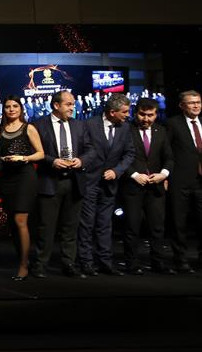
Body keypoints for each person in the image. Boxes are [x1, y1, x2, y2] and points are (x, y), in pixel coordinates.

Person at [30, 91, 94, 279]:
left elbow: (91, 150)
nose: (72, 108)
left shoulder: (79, 125)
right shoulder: (39, 125)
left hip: (74, 182)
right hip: (49, 182)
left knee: (70, 227)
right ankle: (40, 265)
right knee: (46, 227)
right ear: (56, 105)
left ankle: (69, 263)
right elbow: (34, 151)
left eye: (73, 104)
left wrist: (81, 160)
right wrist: (52, 161)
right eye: (68, 104)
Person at [77, 93, 135, 277]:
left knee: (105, 224)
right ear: (112, 112)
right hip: (89, 181)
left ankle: (105, 263)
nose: (128, 115)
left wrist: (117, 171)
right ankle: (86, 262)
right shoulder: (89, 124)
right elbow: (83, 150)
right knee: (87, 224)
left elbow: (129, 154)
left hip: (110, 184)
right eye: (124, 112)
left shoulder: (125, 128)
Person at [120, 97, 174, 275]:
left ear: (156, 114)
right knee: (132, 227)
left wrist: (163, 174)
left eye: (150, 115)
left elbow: (169, 158)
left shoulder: (161, 131)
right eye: (142, 114)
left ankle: (158, 263)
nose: (146, 118)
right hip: (132, 186)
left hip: (155, 187)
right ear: (136, 113)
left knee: (157, 228)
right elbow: (119, 157)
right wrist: (135, 175)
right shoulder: (126, 130)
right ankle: (132, 264)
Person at [0, 95, 44, 280]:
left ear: (21, 109)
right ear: (3, 110)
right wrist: (3, 159)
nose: (11, 109)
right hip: (7, 178)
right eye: (8, 106)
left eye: (15, 106)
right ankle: (22, 258)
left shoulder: (28, 128)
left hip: (25, 176)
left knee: (20, 220)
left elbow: (41, 154)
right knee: (13, 223)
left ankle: (24, 265)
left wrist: (23, 158)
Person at [165, 90, 202, 273]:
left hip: (200, 182)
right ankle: (180, 259)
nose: (196, 106)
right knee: (179, 222)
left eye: (198, 102)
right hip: (180, 180)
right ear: (182, 106)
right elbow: (166, 151)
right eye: (191, 103)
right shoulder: (173, 124)